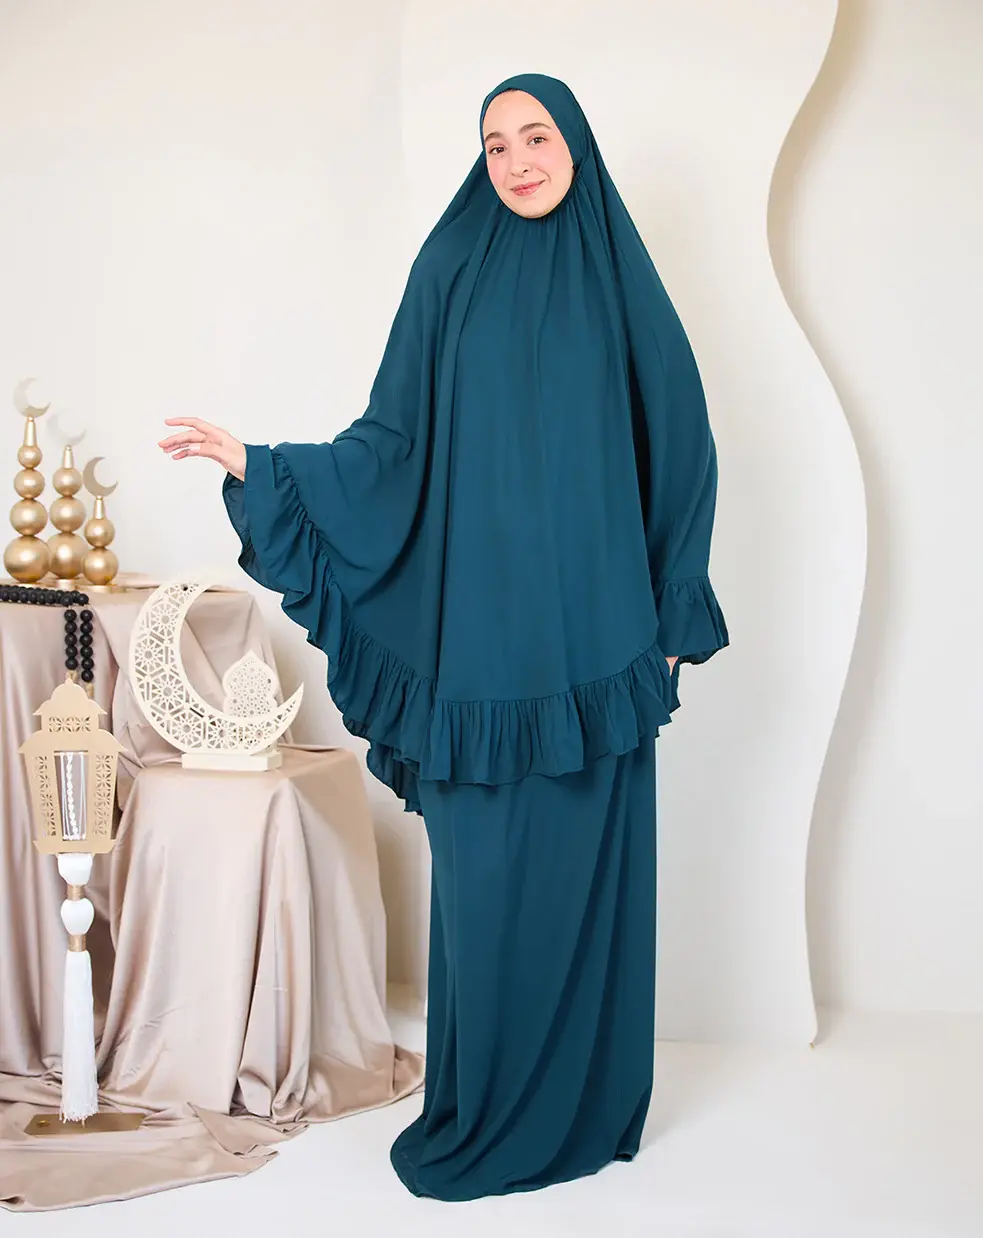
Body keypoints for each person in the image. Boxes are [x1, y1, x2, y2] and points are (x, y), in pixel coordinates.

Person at [159, 73, 729, 1201]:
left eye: (536, 136)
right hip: (477, 641)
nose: (517, 161)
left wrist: (671, 613)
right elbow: (390, 442)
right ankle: (489, 1104)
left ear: (575, 146)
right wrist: (265, 468)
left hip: (595, 643)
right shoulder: (449, 268)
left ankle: (583, 1107)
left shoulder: (619, 278)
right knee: (486, 880)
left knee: (581, 873)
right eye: (496, 144)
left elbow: (683, 443)